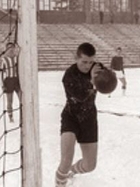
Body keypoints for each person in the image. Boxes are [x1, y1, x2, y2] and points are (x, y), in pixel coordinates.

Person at [55, 42, 103, 187]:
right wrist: (94, 81)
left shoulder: (96, 68)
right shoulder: (69, 75)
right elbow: (82, 96)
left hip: (89, 119)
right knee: (66, 159)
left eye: (90, 62)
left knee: (90, 166)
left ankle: (72, 172)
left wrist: (108, 77)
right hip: (71, 117)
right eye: (84, 62)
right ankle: (60, 183)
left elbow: (108, 83)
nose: (87, 66)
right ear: (76, 58)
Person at [0, 42, 21, 122]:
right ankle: (10, 117)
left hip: (16, 80)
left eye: (12, 48)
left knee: (21, 98)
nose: (11, 50)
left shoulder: (16, 58)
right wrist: (2, 85)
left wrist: (17, 45)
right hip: (8, 81)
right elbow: (0, 74)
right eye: (9, 48)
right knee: (9, 100)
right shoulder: (4, 59)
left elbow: (19, 50)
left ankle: (22, 115)